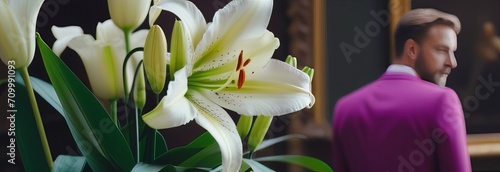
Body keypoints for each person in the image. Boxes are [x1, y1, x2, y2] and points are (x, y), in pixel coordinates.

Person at [332, 8, 471, 172]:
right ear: (412, 49)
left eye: (452, 52)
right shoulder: (443, 101)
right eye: (442, 50)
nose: (452, 62)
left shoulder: (345, 108)